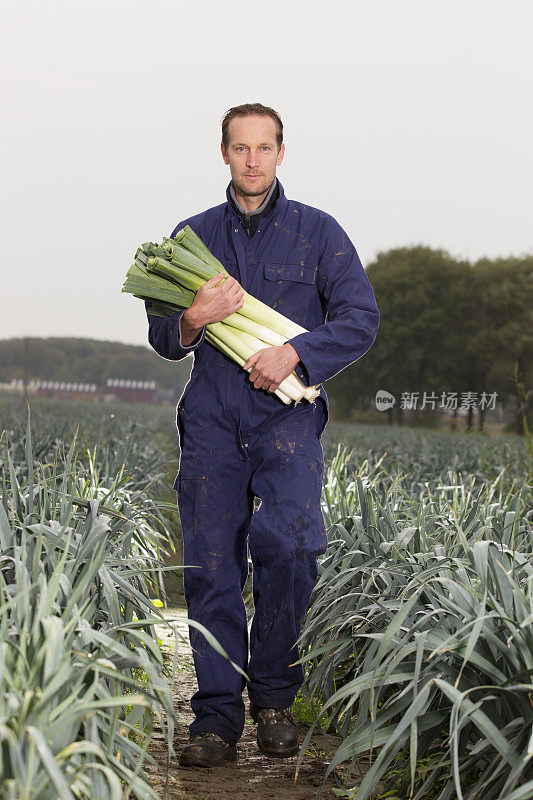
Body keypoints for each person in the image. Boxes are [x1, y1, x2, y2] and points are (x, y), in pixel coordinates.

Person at [145, 102, 380, 768]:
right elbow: (165, 337)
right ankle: (216, 718)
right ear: (224, 154)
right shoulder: (190, 236)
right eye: (240, 148)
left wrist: (297, 355)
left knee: (293, 544)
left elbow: (360, 318)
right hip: (214, 419)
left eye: (263, 148)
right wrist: (194, 315)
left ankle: (274, 696)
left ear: (280, 153)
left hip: (287, 418)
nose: (252, 159)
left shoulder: (318, 233)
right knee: (212, 568)